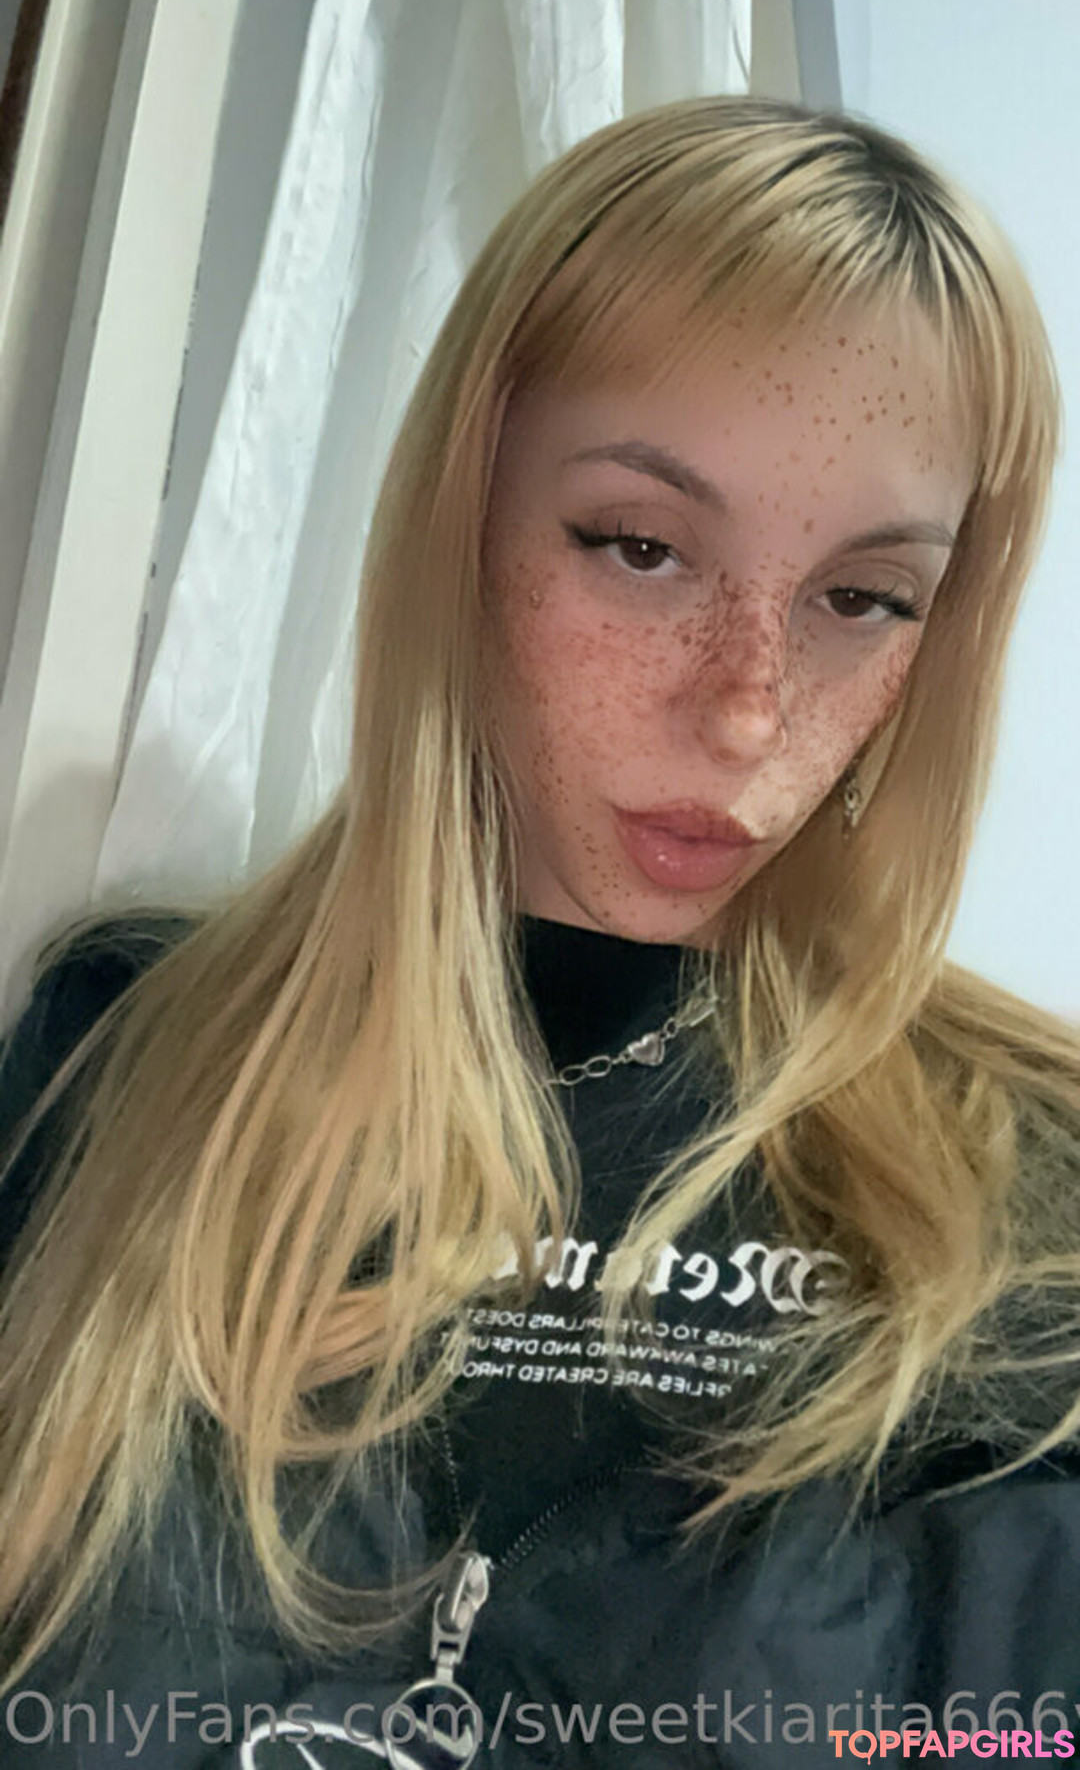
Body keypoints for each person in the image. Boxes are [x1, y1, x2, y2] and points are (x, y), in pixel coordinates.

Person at [0, 95, 1078, 1770]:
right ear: (468, 519)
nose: (748, 710)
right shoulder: (119, 1048)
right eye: (642, 548)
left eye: (863, 597)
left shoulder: (1030, 1187)